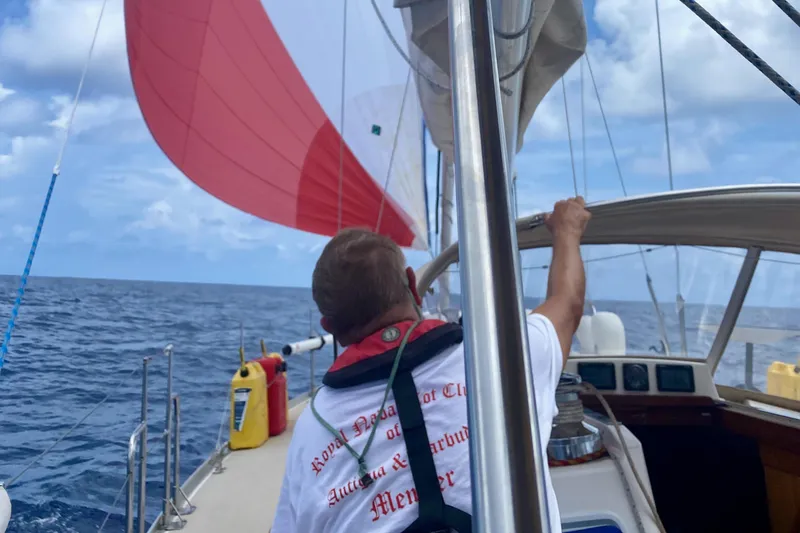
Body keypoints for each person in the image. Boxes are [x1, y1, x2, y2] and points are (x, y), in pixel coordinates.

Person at [271, 197, 590, 533]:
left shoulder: (309, 432)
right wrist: (567, 230)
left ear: (330, 327)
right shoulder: (504, 361)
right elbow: (567, 304)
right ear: (412, 284)